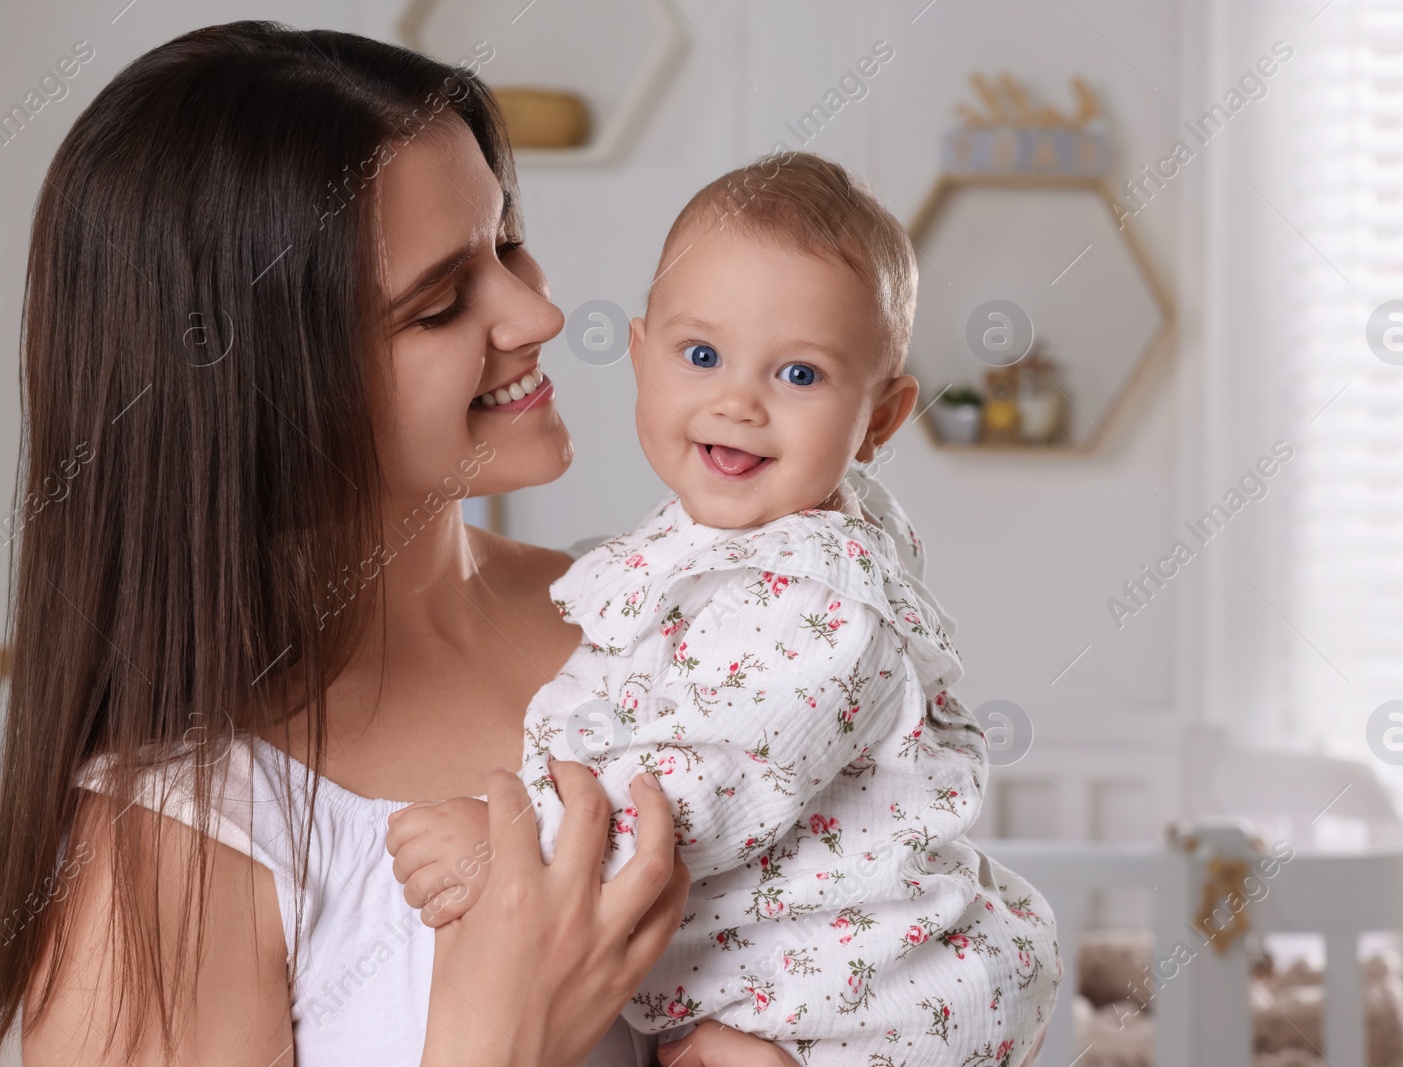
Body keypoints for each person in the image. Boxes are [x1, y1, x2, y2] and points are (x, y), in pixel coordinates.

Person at [0, 21, 788, 1067]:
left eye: (506, 243)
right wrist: (505, 1041)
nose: (538, 312)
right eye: (439, 305)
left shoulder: (658, 626)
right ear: (261, 391)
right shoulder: (162, 848)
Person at [386, 154, 1062, 1065]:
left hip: (867, 1003)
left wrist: (516, 838)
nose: (737, 401)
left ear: (881, 420)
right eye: (701, 356)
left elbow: (701, 785)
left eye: (799, 375)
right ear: (640, 357)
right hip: (763, 995)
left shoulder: (823, 599)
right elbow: (610, 697)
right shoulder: (689, 544)